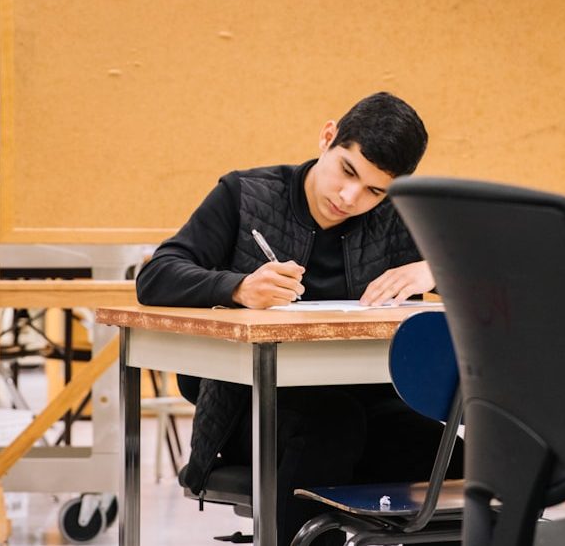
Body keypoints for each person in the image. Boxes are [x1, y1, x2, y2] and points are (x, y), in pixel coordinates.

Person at [136, 92, 462, 545]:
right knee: (331, 427)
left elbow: (503, 278)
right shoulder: (245, 194)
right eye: (347, 171)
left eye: (374, 190)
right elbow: (156, 275)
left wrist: (435, 268)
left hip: (371, 409)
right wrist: (236, 287)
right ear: (328, 137)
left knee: (464, 461)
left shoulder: (400, 218)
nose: (350, 198)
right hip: (252, 412)